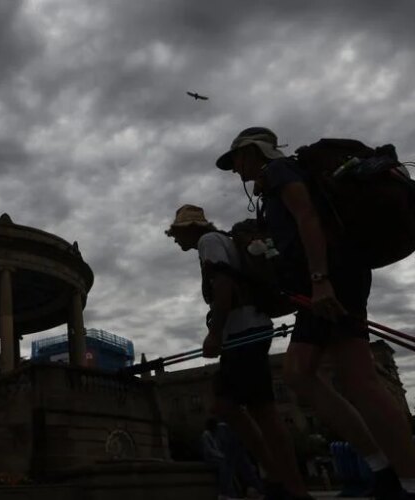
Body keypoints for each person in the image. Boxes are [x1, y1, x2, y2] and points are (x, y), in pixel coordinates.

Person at [216, 127, 415, 500]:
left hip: (332, 278)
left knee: (358, 379)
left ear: (253, 151)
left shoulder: (280, 172)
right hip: (315, 286)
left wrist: (321, 279)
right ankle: (383, 469)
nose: (235, 169)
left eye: (236, 159)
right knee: (298, 373)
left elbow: (307, 217)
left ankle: (407, 480)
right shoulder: (271, 188)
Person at [167, 204, 310, 499]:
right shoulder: (221, 241)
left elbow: (223, 283)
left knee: (248, 409)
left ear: (190, 229)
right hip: (249, 330)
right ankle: (279, 480)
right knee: (243, 408)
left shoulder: (208, 242)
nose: (174, 238)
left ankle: (287, 485)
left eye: (176, 233)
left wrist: (215, 332)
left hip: (244, 332)